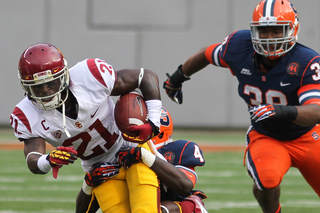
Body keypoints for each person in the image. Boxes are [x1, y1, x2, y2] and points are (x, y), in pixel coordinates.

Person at [163, 0, 320, 212]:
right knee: (267, 179)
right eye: (264, 32)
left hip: (309, 135)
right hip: (268, 136)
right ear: (254, 31)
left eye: (277, 31)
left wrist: (280, 110)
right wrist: (177, 78)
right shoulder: (239, 46)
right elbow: (206, 54)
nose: (270, 39)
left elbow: (316, 111)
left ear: (293, 29)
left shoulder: (307, 62)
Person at [9, 42, 163, 212]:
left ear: (64, 76)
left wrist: (154, 123)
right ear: (26, 87)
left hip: (133, 148)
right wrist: (49, 160)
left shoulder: (89, 75)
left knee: (149, 207)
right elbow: (33, 158)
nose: (45, 91)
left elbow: (145, 76)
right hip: (99, 168)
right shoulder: (26, 114)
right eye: (37, 87)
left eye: (51, 83)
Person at [80, 107, 208, 213]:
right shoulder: (119, 154)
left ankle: (192, 205)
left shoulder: (177, 150)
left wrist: (145, 156)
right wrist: (88, 183)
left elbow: (185, 186)